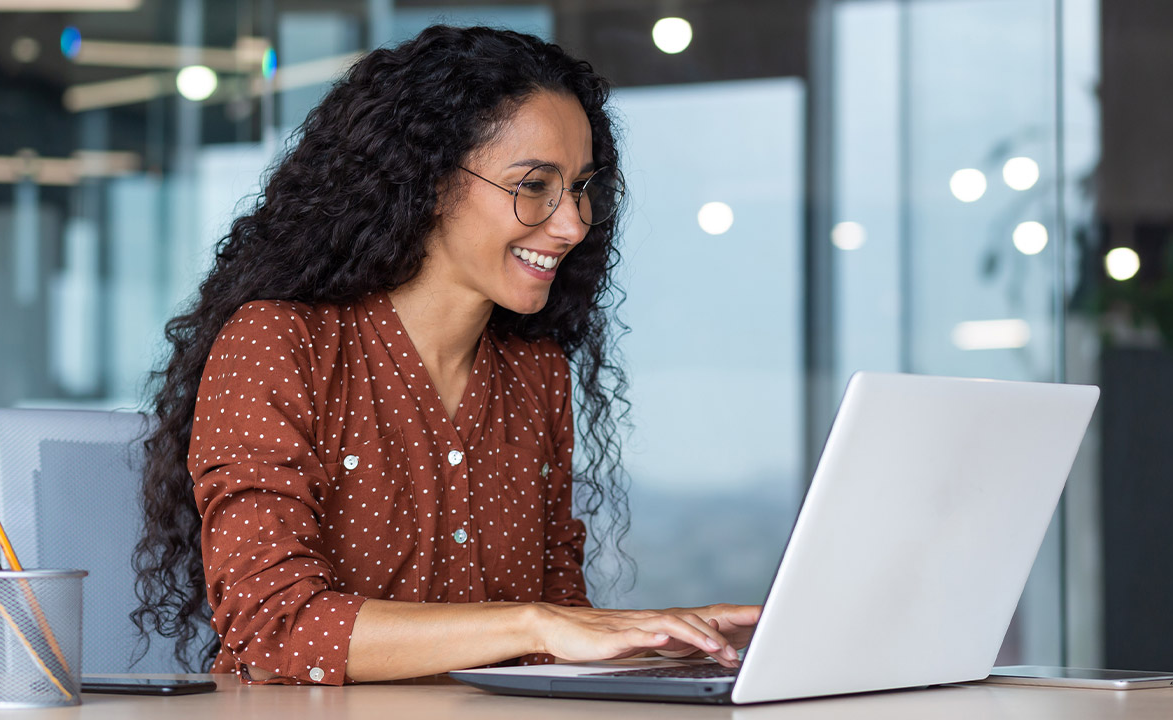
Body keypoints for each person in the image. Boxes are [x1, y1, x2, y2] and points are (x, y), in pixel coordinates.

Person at [132, 24, 761, 685]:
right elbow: (277, 628)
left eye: (580, 187)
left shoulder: (536, 375)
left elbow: (552, 639)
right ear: (428, 180)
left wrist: (662, 642)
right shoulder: (280, 344)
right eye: (535, 184)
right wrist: (534, 623)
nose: (573, 223)